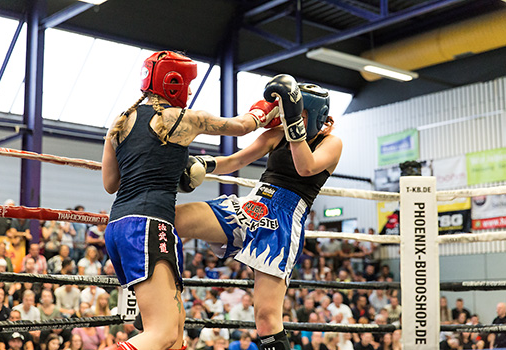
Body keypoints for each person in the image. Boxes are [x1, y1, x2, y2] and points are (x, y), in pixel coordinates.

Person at [102, 51, 278, 350]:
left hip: (118, 226)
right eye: (188, 82)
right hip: (149, 225)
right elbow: (242, 126)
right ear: (174, 82)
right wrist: (269, 106)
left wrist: (165, 166)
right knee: (163, 334)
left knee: (177, 329)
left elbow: (110, 184)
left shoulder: (119, 123)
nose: (190, 90)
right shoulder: (183, 118)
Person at [175, 75, 342, 350]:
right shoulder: (276, 135)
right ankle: (161, 307)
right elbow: (236, 160)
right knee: (177, 220)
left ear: (312, 115)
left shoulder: (331, 143)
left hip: (283, 220)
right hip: (252, 205)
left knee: (266, 317)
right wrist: (203, 164)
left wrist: (294, 126)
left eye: (295, 112)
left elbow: (306, 167)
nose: (289, 117)